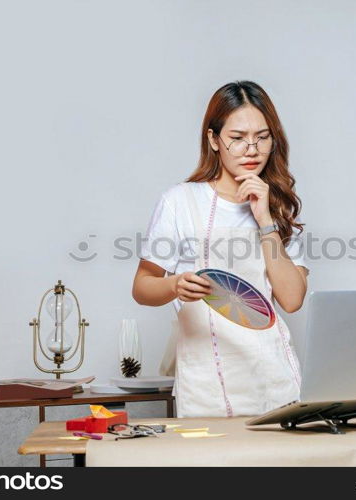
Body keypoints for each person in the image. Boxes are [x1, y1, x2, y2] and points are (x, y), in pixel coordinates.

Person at [132, 81, 308, 417]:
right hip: (206, 386)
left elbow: (292, 299)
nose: (251, 149)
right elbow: (142, 286)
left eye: (262, 136)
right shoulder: (180, 201)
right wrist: (174, 285)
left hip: (275, 381)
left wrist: (266, 219)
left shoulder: (277, 207)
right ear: (214, 140)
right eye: (238, 138)